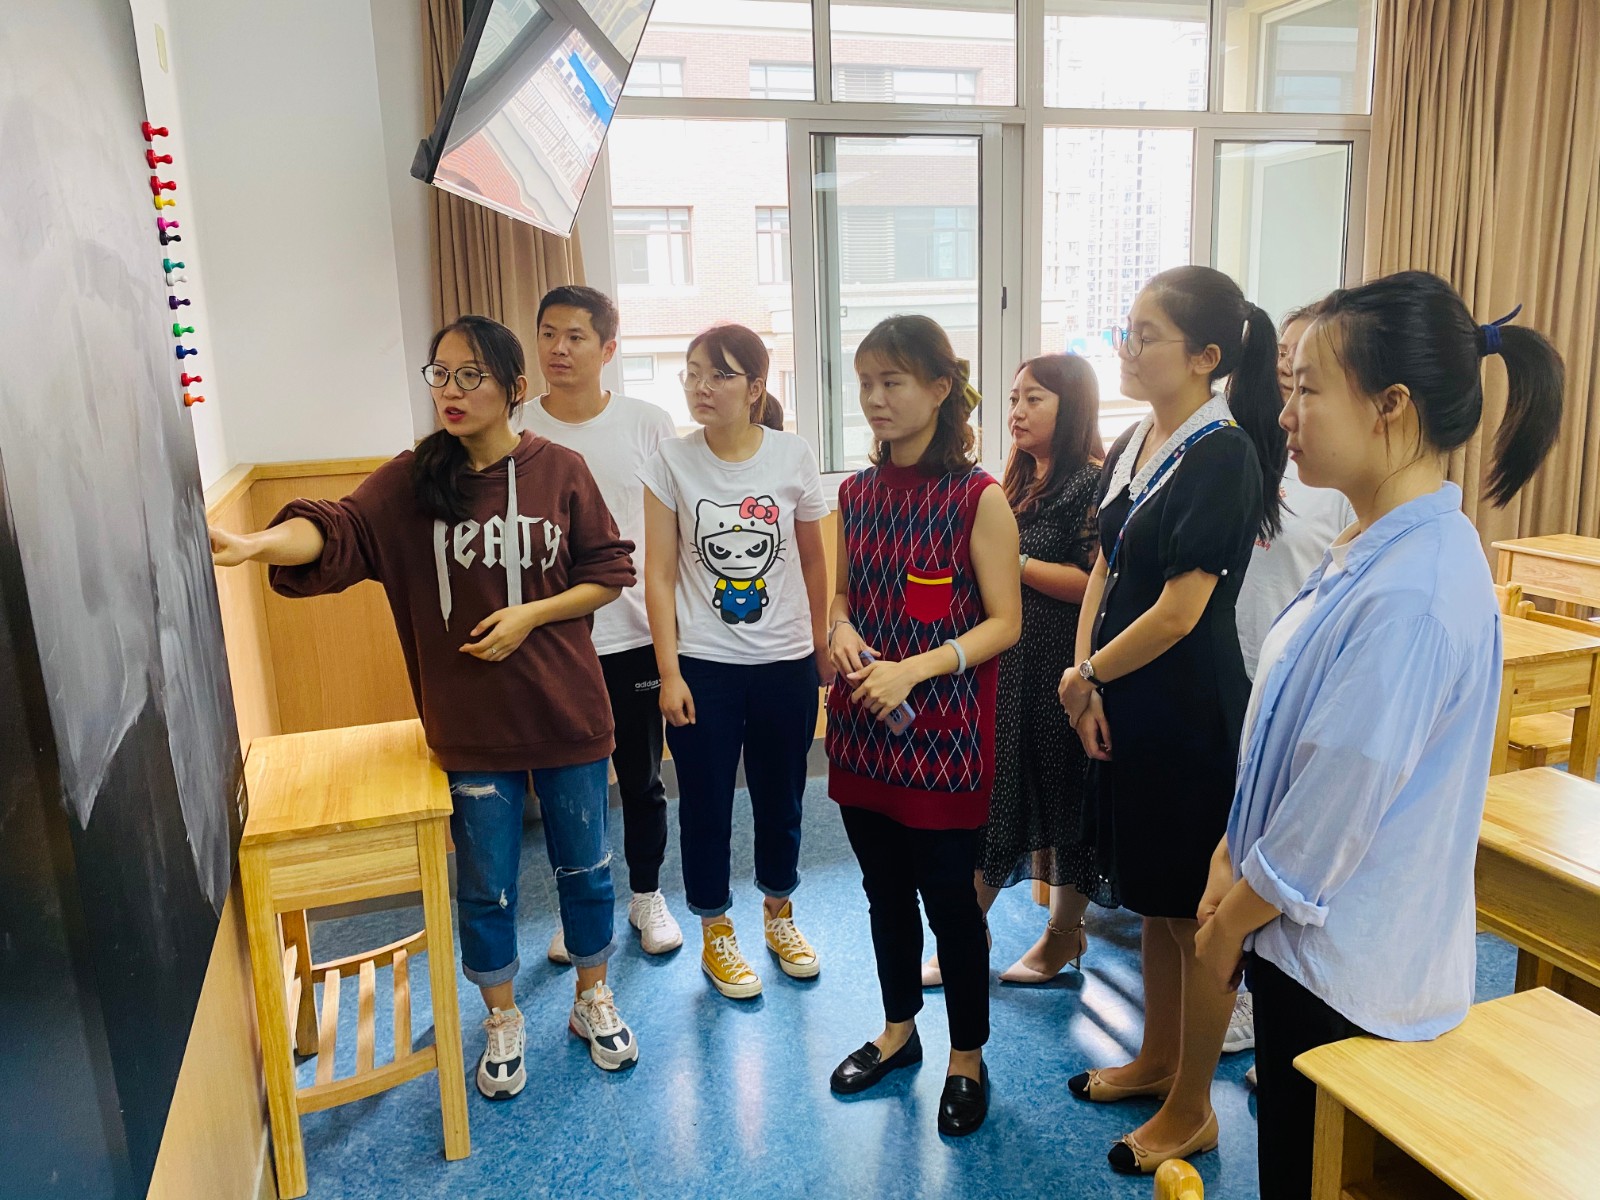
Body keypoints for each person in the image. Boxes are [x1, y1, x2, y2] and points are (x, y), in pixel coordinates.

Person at [1195, 272, 1561, 1199]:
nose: (1287, 415)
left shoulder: (1412, 594)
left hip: (1343, 973)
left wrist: (1230, 921)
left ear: (1390, 405)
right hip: (1303, 942)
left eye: (1309, 390)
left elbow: (1331, 812)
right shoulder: (1376, 545)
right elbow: (1295, 736)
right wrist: (1231, 853)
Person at [209, 315, 642, 1094]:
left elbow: (607, 573)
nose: (451, 390)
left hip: (569, 714)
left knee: (587, 869)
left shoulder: (561, 469)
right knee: (485, 884)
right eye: (440, 373)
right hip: (471, 728)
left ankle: (592, 997)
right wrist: (254, 546)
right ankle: (501, 1017)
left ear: (514, 389)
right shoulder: (413, 480)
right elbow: (334, 531)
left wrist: (531, 615)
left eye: (471, 375)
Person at [1056, 266, 1284, 1175]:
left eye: (1146, 333)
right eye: (1127, 328)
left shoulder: (1225, 454)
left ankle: (1193, 1108)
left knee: (1195, 915)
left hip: (1188, 710)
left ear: (1205, 356)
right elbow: (1107, 569)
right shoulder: (1138, 440)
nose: (1128, 345)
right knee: (1153, 899)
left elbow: (1182, 612)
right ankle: (1155, 1061)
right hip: (1123, 699)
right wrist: (1084, 679)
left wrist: (1088, 676)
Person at [825, 314, 1022, 1137]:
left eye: (893, 381)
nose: (875, 398)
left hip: (944, 741)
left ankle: (967, 1056)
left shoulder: (979, 498)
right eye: (866, 383)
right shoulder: (854, 494)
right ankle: (899, 1031)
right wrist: (838, 626)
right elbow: (842, 596)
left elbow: (1004, 623)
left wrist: (915, 667)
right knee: (882, 893)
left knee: (951, 903)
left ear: (941, 389)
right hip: (862, 734)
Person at [639, 323, 832, 1001]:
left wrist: (819, 646)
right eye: (692, 372)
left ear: (755, 388)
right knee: (706, 805)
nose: (701, 386)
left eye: (718, 374)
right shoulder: (670, 460)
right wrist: (669, 672)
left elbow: (814, 560)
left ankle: (779, 914)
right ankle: (715, 930)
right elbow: (659, 573)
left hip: (785, 663)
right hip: (703, 666)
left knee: (783, 797)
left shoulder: (792, 454)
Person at [922, 353, 1112, 989]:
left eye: (1034, 399)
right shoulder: (1014, 477)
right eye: (1013, 399)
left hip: (1061, 665)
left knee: (1064, 799)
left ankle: (1062, 935)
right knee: (997, 793)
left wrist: (1013, 561)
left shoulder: (1093, 481)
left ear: (1071, 406)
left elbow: (1091, 582)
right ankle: (965, 930)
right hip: (1006, 664)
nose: (1017, 412)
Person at [517, 286, 683, 963]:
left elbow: (675, 527)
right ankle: (579, 910)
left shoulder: (648, 423)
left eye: (576, 336)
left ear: (608, 348)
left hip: (635, 634)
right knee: (568, 789)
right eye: (547, 333)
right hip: (552, 642)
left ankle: (646, 895)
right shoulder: (517, 427)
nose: (558, 348)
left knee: (641, 779)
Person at [1225, 300, 1357, 1069]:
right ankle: (1248, 991)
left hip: (1295, 687)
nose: (1288, 394)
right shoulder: (1238, 451)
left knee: (1284, 849)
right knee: (1236, 837)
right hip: (1238, 672)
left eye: (1306, 377)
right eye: (1285, 369)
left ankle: (1251, 1001)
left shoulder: (1333, 482)